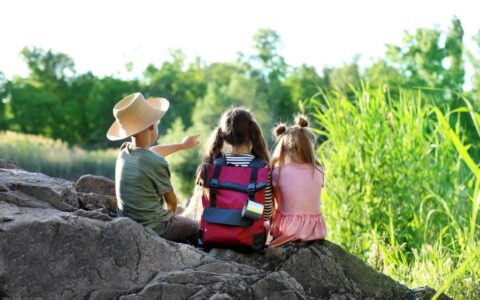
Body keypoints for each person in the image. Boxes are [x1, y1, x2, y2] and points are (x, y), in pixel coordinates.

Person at [106, 92, 199, 245]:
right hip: (154, 229)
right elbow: (172, 203)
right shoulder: (157, 163)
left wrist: (182, 146)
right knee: (194, 226)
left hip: (127, 219)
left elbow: (152, 151)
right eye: (157, 123)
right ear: (151, 126)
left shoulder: (125, 152)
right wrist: (171, 220)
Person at [196, 107, 273, 249]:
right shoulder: (261, 169)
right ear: (251, 132)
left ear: (224, 136)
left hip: (212, 236)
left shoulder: (212, 165)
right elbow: (267, 213)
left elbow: (203, 207)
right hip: (250, 240)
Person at [269, 115, 327, 247]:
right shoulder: (318, 169)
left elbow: (276, 200)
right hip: (316, 230)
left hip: (288, 230)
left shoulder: (279, 173)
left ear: (285, 149)